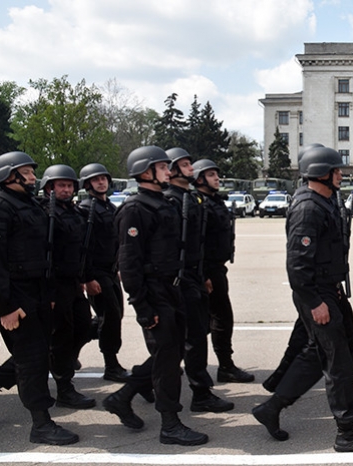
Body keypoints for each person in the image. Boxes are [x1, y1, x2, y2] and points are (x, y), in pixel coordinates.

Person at [251, 146, 353, 452]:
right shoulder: (309, 208)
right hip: (314, 294)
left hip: (325, 288)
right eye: (336, 170)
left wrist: (331, 287)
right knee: (337, 361)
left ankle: (270, 409)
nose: (341, 174)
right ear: (321, 173)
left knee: (315, 356)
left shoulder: (322, 202)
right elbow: (297, 264)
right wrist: (314, 301)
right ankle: (346, 433)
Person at [105, 145, 207, 445]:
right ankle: (170, 425)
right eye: (163, 168)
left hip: (172, 289)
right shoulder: (135, 209)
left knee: (171, 353)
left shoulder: (163, 203)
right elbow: (129, 263)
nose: (169, 172)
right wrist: (142, 306)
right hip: (153, 292)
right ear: (146, 172)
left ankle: (122, 397)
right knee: (167, 361)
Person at [0, 151, 79, 445]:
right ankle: (41, 424)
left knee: (36, 354)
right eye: (28, 172)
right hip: (16, 297)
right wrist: (5, 307)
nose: (34, 177)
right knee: (32, 359)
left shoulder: (29, 204)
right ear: (10, 175)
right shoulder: (2, 206)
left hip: (39, 293)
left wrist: (51, 295)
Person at [164, 148, 234, 413]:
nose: (190, 168)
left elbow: (197, 242)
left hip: (195, 274)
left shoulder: (190, 199)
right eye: (184, 164)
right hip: (181, 278)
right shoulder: (171, 201)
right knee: (186, 339)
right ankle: (197, 393)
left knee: (192, 336)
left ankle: (198, 390)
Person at [40, 164, 95, 410]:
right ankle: (64, 389)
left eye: (69, 185)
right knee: (61, 336)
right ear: (49, 187)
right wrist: (48, 291)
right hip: (55, 284)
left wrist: (84, 277)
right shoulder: (44, 213)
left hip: (74, 282)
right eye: (61, 185)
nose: (66, 189)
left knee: (84, 326)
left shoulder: (75, 212)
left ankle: (61, 362)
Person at [196, 160, 254, 384]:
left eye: (216, 175)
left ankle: (224, 365)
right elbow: (196, 243)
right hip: (207, 270)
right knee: (213, 321)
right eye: (211, 175)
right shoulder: (199, 204)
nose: (216, 178)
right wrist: (203, 275)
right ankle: (224, 366)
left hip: (217, 268)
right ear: (200, 179)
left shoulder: (214, 202)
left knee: (219, 319)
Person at [78, 163, 130, 382]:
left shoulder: (109, 206)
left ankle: (72, 345)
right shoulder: (85, 209)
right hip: (96, 273)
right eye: (96, 179)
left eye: (104, 178)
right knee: (109, 317)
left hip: (110, 271)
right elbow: (83, 247)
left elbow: (115, 241)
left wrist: (116, 267)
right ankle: (111, 365)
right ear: (88, 184)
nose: (101, 182)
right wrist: (88, 278)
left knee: (114, 316)